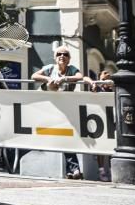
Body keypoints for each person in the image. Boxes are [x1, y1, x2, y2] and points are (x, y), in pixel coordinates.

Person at [32, 45, 93, 179]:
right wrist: (48, 79)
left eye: (65, 54)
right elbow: (34, 75)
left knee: (66, 138)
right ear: (55, 57)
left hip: (65, 110)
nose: (62, 56)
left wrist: (64, 79)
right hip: (47, 109)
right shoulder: (50, 68)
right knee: (54, 138)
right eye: (59, 54)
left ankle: (72, 170)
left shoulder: (71, 69)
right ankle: (72, 170)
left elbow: (80, 76)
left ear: (69, 58)